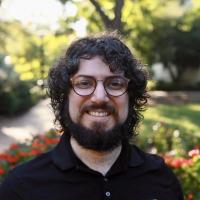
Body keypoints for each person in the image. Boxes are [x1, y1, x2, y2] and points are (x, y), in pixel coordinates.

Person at [0, 32, 183, 200]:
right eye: (85, 83)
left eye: (115, 84)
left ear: (131, 97)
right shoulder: (21, 188)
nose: (100, 97)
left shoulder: (163, 181)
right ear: (65, 97)